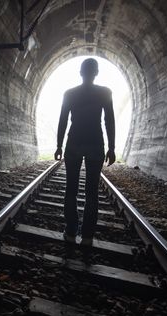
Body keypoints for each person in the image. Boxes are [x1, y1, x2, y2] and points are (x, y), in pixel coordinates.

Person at [54, 58, 116, 246]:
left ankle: (71, 231)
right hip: (95, 144)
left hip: (73, 143)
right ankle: (87, 237)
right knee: (92, 192)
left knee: (71, 190)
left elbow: (63, 121)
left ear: (80, 72)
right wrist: (112, 147)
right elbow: (109, 121)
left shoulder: (70, 93)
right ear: (96, 73)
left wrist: (59, 145)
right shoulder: (105, 93)